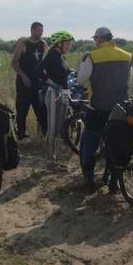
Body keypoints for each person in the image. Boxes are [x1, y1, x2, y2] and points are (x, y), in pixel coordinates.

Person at [76, 27, 132, 187]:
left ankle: (88, 176)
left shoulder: (92, 56)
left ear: (99, 39)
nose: (95, 42)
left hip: (98, 106)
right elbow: (128, 82)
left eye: (95, 39)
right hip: (120, 108)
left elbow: (80, 80)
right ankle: (114, 180)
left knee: (91, 138)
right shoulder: (127, 56)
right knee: (115, 141)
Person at [36, 30, 74, 170]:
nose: (70, 46)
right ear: (59, 43)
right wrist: (52, 84)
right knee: (52, 129)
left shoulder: (61, 56)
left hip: (63, 94)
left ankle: (56, 160)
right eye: (68, 43)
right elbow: (38, 71)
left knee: (59, 129)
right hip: (54, 95)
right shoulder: (53, 55)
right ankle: (49, 162)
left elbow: (61, 73)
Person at [11, 22, 48, 140]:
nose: (40, 33)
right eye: (38, 30)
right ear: (32, 30)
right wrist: (23, 75)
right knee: (22, 110)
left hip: (38, 83)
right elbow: (14, 62)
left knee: (41, 110)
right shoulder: (24, 43)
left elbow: (46, 62)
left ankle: (44, 135)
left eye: (42, 31)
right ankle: (21, 135)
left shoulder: (43, 44)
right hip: (24, 83)